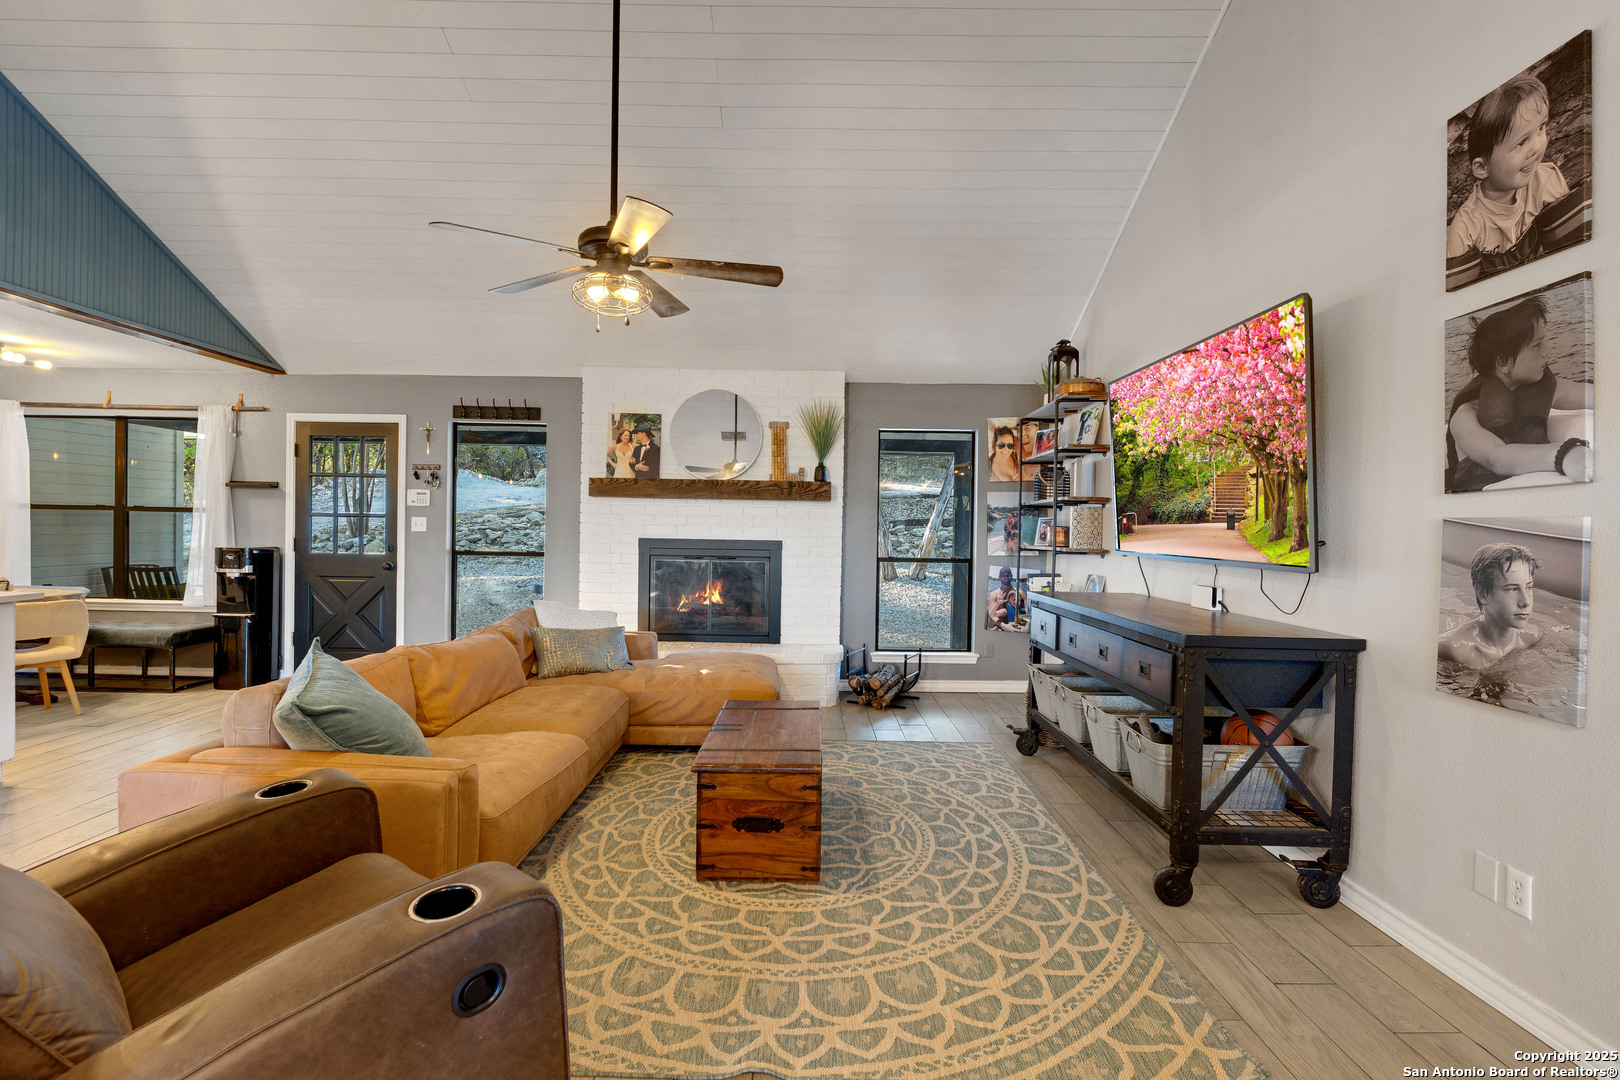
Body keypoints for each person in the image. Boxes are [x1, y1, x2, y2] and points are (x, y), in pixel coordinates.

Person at [1446, 294, 1591, 490]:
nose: (1547, 350)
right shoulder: (1464, 416)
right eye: (1537, 345)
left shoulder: (1542, 389)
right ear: (1503, 362)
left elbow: (1596, 395)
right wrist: (1565, 453)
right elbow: (1496, 457)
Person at [1446, 74, 1573, 289]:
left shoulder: (1547, 181)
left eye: (1541, 128)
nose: (1536, 147)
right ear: (1482, 167)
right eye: (1522, 142)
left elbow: (1569, 257)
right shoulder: (1466, 228)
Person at [1439, 543, 1542, 669]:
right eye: (1512, 589)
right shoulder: (1452, 649)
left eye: (1529, 587)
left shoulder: (1532, 636)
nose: (1525, 602)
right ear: (1482, 593)